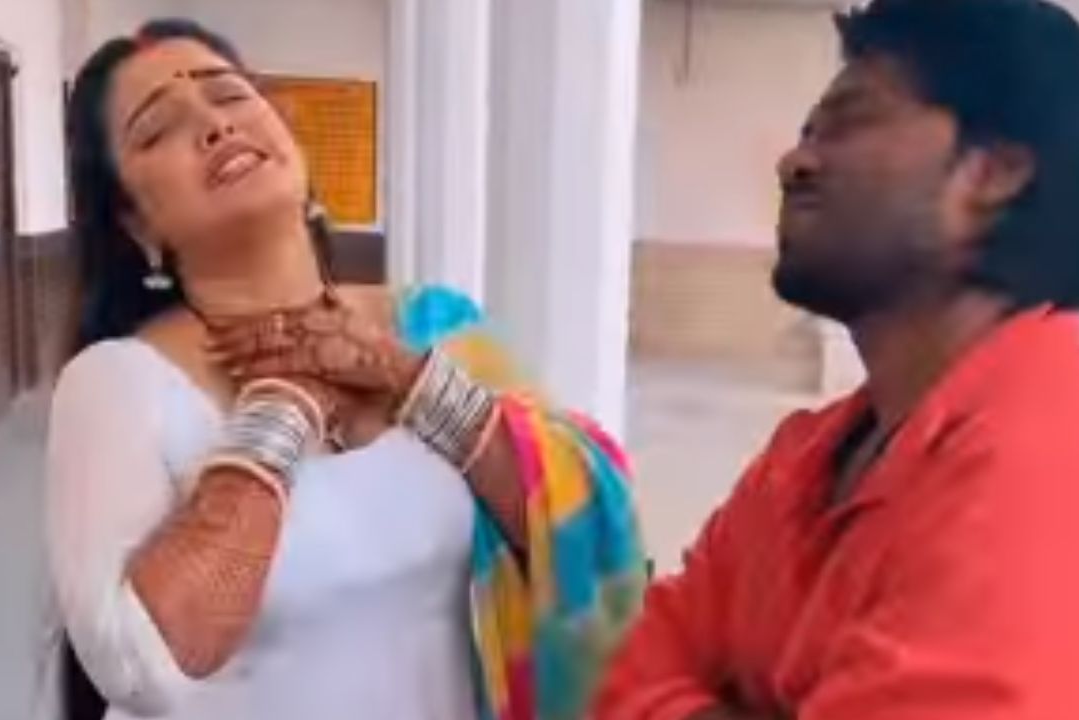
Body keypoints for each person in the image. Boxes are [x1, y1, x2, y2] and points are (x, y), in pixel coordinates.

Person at [593, 0, 1079, 718]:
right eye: (807, 133)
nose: (795, 162)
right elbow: (631, 670)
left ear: (991, 173)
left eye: (850, 122)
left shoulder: (1061, 474)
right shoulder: (808, 459)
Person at [47, 18, 645, 720]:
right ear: (136, 224)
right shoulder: (117, 383)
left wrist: (408, 379)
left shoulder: (436, 329)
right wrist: (283, 407)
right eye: (158, 129)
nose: (215, 125)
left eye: (230, 95)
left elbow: (577, 525)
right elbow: (138, 662)